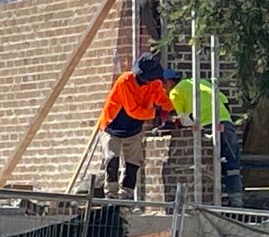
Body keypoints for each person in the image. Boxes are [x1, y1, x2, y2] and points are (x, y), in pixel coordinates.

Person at [97, 55, 181, 200]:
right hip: (113, 125)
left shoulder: (154, 83)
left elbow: (161, 98)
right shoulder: (125, 81)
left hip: (133, 128)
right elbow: (133, 110)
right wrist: (158, 114)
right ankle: (110, 194)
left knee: (133, 162)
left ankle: (126, 195)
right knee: (112, 158)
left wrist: (172, 110)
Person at [171, 73, 243, 205]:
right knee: (232, 165)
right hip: (225, 123)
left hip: (207, 126)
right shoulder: (202, 82)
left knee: (209, 163)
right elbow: (224, 99)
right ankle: (237, 203)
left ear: (168, 83)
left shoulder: (175, 92)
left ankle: (213, 203)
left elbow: (183, 119)